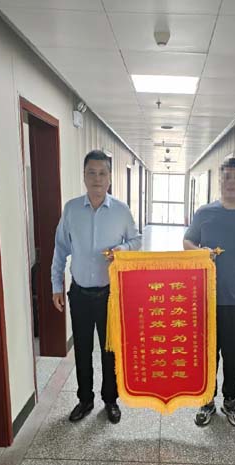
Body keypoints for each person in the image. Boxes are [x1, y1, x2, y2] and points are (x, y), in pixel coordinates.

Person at [51, 150, 142, 423]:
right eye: (92, 173)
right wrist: (56, 285)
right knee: (81, 349)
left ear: (110, 178)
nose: (97, 179)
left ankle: (110, 400)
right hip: (79, 293)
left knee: (109, 350)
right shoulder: (71, 210)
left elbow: (137, 240)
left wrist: (122, 249)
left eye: (102, 173)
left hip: (109, 295)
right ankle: (85, 399)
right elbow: (60, 249)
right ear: (84, 176)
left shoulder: (121, 211)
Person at [184, 158, 235, 427]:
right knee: (207, 356)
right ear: (219, 180)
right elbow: (187, 242)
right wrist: (200, 252)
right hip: (205, 302)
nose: (231, 182)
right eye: (227, 176)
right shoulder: (204, 214)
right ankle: (207, 400)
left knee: (233, 357)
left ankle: (230, 400)